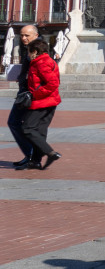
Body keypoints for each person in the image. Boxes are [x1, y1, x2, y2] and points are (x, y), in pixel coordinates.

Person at [22, 38, 62, 170]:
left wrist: (35, 94)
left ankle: (50, 152)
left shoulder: (41, 63)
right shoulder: (47, 61)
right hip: (51, 101)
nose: (28, 54)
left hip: (41, 102)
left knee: (27, 128)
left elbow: (53, 83)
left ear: (35, 51)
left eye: (29, 52)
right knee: (40, 131)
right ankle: (36, 161)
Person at [8, 24, 40, 170]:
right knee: (19, 124)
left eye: (27, 35)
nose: (23, 38)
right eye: (21, 35)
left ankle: (32, 156)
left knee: (17, 123)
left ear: (35, 35)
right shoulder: (28, 49)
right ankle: (30, 156)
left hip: (30, 95)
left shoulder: (38, 50)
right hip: (24, 93)